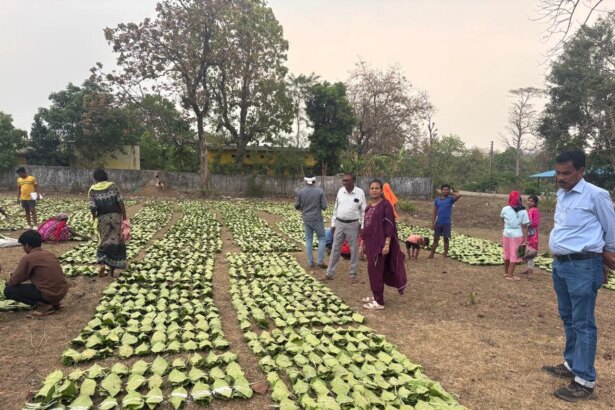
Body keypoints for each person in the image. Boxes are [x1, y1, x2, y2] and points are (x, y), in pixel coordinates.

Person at [542, 150, 615, 402]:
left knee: (583, 323)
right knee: (568, 317)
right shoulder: (562, 194)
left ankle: (584, 380)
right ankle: (572, 363)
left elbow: (611, 229)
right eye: (558, 173)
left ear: (581, 170)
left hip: (583, 266)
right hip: (561, 265)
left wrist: (607, 259)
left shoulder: (596, 195)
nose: (560, 178)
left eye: (567, 173)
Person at [360, 179, 407, 310]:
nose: (374, 190)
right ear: (369, 190)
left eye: (377, 188)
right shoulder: (369, 207)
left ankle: (379, 302)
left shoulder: (385, 205)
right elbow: (365, 227)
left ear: (381, 191)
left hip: (379, 244)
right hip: (370, 244)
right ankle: (376, 295)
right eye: (372, 188)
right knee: (372, 270)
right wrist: (361, 244)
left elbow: (389, 226)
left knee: (376, 270)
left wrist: (387, 244)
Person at [2, 230, 69, 317]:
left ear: (27, 245)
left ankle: (44, 305)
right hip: (61, 292)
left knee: (9, 290)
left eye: (23, 245)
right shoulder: (49, 254)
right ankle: (54, 303)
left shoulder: (28, 258)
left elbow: (16, 279)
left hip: (49, 294)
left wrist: (8, 282)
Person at [321, 173, 366, 283]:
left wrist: (363, 226)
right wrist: (333, 223)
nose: (345, 182)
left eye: (347, 180)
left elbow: (364, 211)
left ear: (353, 181)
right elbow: (336, 208)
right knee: (335, 248)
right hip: (339, 223)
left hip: (353, 224)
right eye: (344, 180)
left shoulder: (360, 193)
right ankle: (329, 273)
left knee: (354, 250)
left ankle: (353, 275)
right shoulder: (341, 191)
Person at [89, 169, 128, 277]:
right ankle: (112, 271)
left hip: (103, 218)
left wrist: (94, 218)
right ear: (105, 176)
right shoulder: (113, 186)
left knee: (103, 241)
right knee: (115, 241)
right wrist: (124, 217)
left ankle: (102, 264)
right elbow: (121, 202)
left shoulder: (93, 189)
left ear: (95, 178)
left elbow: (92, 207)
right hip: (116, 217)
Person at [295, 176, 328, 268]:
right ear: (314, 181)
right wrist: (317, 205)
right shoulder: (320, 191)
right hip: (317, 219)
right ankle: (320, 261)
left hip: (306, 219)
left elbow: (297, 205)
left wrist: (303, 208)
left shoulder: (301, 192)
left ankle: (310, 262)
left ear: (305, 181)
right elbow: (324, 207)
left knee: (309, 239)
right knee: (322, 238)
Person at [500, 191, 529, 281]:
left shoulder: (505, 209)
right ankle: (510, 276)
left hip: (506, 234)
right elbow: (524, 226)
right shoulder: (523, 211)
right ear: (519, 199)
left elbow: (502, 219)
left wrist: (508, 225)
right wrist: (525, 238)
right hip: (517, 235)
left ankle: (506, 272)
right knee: (514, 255)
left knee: (507, 253)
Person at [427, 184, 461, 258]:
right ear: (441, 190)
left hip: (447, 223)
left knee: (446, 239)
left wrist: (451, 193)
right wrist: (432, 224)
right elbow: (434, 212)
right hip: (438, 222)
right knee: (435, 239)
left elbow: (459, 195)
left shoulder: (450, 199)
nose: (445, 191)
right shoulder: (437, 200)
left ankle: (445, 254)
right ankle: (431, 254)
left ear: (449, 190)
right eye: (444, 189)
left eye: (447, 190)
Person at [521, 195, 541, 277]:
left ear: (535, 203)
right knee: (527, 251)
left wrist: (526, 224)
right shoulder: (529, 210)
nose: (529, 202)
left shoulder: (535, 210)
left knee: (531, 252)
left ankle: (530, 272)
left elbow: (535, 223)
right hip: (528, 234)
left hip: (532, 235)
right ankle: (529, 269)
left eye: (531, 201)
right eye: (528, 200)